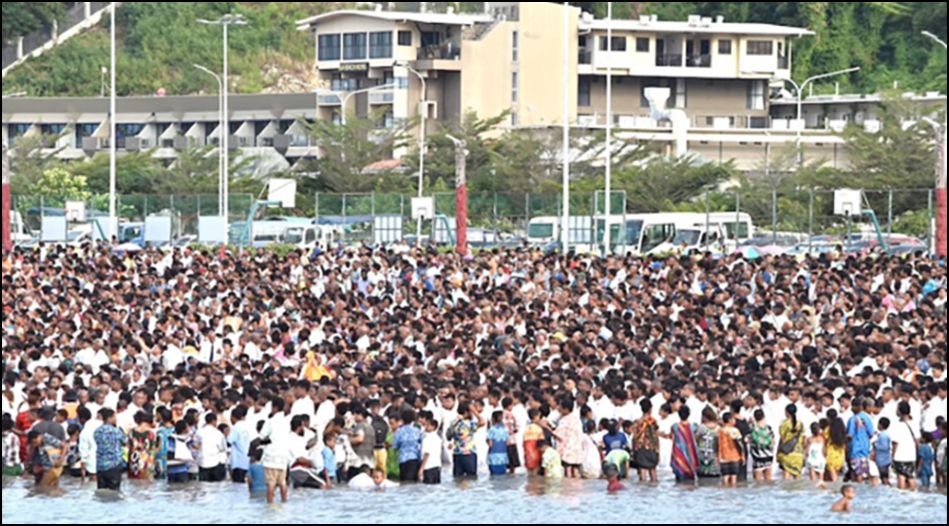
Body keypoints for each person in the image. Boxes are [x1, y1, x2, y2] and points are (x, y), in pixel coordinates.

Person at [259, 398, 290, 504]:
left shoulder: (270, 422)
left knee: (271, 483)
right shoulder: (287, 422)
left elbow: (262, 436)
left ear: (275, 408)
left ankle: (270, 504)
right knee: (282, 482)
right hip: (283, 456)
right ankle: (284, 501)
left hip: (271, 455)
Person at [447, 402, 484, 479]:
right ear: (467, 412)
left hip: (457, 454)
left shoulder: (454, 422)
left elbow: (448, 436)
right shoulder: (469, 424)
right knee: (471, 478)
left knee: (458, 478)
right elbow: (482, 422)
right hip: (469, 454)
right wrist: (475, 411)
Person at [93, 408, 126, 491]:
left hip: (100, 465)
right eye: (114, 417)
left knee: (102, 490)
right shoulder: (116, 431)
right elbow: (124, 441)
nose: (116, 419)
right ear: (110, 418)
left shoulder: (97, 431)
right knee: (114, 491)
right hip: (113, 465)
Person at [847, 399, 875, 484]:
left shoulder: (852, 419)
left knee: (856, 473)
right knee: (864, 474)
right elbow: (871, 433)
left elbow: (850, 435)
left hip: (855, 450)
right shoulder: (867, 418)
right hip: (865, 449)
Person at [891, 401, 918, 491]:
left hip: (900, 455)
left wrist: (893, 456)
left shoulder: (897, 425)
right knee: (911, 476)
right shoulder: (914, 423)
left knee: (901, 476)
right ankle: (913, 492)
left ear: (900, 411)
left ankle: (901, 495)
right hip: (911, 454)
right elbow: (917, 440)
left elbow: (895, 442)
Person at [392, 408, 423, 483]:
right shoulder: (417, 431)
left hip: (403, 460)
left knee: (404, 482)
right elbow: (421, 444)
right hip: (415, 459)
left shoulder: (399, 431)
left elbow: (395, 446)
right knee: (413, 483)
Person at [669, 406, 699, 484]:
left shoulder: (675, 426)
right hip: (691, 455)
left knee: (679, 481)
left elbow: (671, 435)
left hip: (679, 455)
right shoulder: (693, 426)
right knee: (691, 481)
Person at [633, 399, 660, 483]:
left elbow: (634, 437)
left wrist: (634, 450)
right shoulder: (653, 421)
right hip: (651, 447)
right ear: (650, 409)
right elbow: (655, 436)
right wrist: (658, 449)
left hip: (641, 448)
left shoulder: (637, 422)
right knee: (653, 472)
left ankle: (642, 495)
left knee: (642, 472)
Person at [197, 413, 228, 482]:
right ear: (214, 421)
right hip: (215, 462)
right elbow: (223, 448)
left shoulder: (199, 432)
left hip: (203, 462)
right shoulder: (218, 433)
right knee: (216, 487)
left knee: (204, 487)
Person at [128, 411, 158, 480]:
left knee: (134, 482)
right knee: (147, 483)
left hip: (134, 460)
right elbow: (152, 449)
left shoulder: (131, 432)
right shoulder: (151, 433)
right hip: (147, 460)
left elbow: (129, 448)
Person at [778, 404, 805, 480]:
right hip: (798, 453)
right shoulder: (800, 424)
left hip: (787, 453)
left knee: (786, 478)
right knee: (797, 478)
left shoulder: (784, 424)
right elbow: (803, 439)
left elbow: (782, 439)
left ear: (786, 412)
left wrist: (778, 453)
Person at [718, 412, 744, 488]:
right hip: (734, 457)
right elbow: (739, 445)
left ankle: (725, 495)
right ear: (730, 420)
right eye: (733, 419)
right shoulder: (735, 431)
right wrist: (742, 455)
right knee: (733, 479)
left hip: (723, 457)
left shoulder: (720, 431)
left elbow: (717, 444)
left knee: (725, 479)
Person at [748, 409, 775, 482]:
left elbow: (747, 440)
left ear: (754, 417)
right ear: (764, 416)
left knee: (757, 482)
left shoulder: (752, 428)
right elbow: (773, 441)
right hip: (768, 455)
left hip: (757, 456)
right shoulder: (768, 428)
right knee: (768, 480)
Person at [229, 405, 253, 484]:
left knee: (237, 487)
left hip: (238, 463)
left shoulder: (236, 427)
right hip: (248, 461)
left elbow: (229, 440)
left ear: (233, 417)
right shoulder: (249, 425)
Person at [696, 407, 721, 480]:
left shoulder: (702, 427)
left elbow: (696, 439)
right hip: (714, 454)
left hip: (702, 453)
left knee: (702, 477)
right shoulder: (718, 428)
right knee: (715, 477)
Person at [418, 414, 443, 484]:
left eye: (427, 425)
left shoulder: (427, 438)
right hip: (437, 466)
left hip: (428, 467)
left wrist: (421, 469)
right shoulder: (438, 438)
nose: (425, 427)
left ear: (433, 427)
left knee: (427, 488)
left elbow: (426, 454)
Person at [824, 411, 847, 483]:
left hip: (831, 453)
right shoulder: (842, 429)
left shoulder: (828, 429)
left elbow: (825, 440)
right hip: (841, 453)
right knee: (836, 474)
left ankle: (835, 490)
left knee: (833, 476)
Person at [486, 411, 510, 476]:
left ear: (493, 419)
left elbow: (490, 444)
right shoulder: (505, 429)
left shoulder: (491, 429)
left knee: (494, 476)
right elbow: (507, 443)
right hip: (503, 456)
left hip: (494, 457)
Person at [522, 409, 545, 475]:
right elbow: (541, 440)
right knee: (536, 468)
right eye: (539, 416)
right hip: (535, 450)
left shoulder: (527, 428)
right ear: (535, 417)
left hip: (528, 450)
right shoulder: (538, 428)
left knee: (529, 470)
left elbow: (524, 441)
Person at [806, 423, 827, 489]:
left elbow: (807, 452)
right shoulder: (822, 439)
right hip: (820, 460)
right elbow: (824, 451)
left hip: (812, 460)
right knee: (821, 480)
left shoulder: (809, 439)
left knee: (813, 481)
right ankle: (823, 492)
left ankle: (814, 494)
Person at [873, 418, 893, 486]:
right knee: (884, 476)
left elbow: (884, 447)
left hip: (882, 460)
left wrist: (875, 444)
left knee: (884, 477)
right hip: (885, 459)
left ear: (880, 425)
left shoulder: (883, 435)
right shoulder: (884, 434)